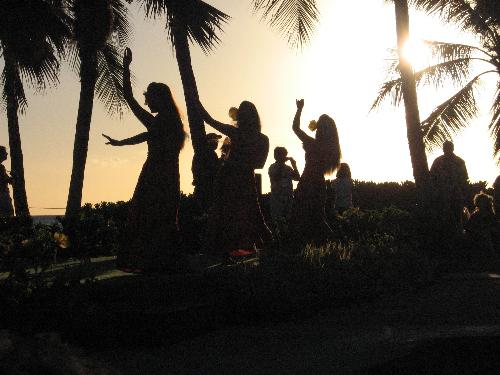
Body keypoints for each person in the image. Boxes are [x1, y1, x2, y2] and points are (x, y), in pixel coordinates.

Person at [102, 48, 186, 273]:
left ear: (159, 98)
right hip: (167, 173)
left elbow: (130, 101)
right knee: (161, 215)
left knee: (149, 214)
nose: (147, 102)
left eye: (150, 97)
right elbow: (146, 135)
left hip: (156, 173)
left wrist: (127, 68)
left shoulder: (163, 122)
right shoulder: (169, 122)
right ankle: (163, 261)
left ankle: (154, 260)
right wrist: (121, 143)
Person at [198, 100, 273, 256]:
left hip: (229, 175)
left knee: (225, 211)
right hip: (244, 177)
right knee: (250, 211)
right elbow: (259, 164)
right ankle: (262, 244)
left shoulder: (235, 132)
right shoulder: (262, 139)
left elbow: (210, 120)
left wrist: (196, 103)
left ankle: (223, 247)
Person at [289, 99, 341, 246]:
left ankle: (331, 245)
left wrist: (299, 109)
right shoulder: (331, 150)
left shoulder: (312, 144)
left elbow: (295, 128)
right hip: (319, 184)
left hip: (307, 183)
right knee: (318, 218)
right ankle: (334, 245)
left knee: (300, 215)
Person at [430, 140, 469, 234]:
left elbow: (464, 179)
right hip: (441, 196)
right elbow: (431, 177)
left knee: (457, 219)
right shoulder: (438, 161)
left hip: (455, 196)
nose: (446, 149)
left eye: (448, 147)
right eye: (445, 147)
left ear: (452, 148)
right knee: (443, 220)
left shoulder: (459, 162)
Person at [268, 147, 300, 238]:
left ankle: (286, 238)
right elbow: (276, 178)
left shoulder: (289, 168)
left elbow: (297, 178)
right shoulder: (272, 167)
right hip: (277, 198)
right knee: (277, 221)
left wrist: (294, 165)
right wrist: (282, 164)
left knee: (287, 219)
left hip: (288, 197)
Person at [464, 192, 499, 262]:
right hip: (477, 236)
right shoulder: (474, 215)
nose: (482, 204)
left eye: (484, 202)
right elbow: (468, 227)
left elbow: (495, 226)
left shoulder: (491, 215)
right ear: (477, 203)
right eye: (481, 202)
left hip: (490, 235)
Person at [191, 133, 222, 213]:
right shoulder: (209, 154)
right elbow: (213, 170)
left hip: (203, 187)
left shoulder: (205, 153)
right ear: (209, 142)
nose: (217, 142)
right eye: (215, 140)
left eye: (217, 140)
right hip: (206, 188)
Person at [0, 146, 14, 217]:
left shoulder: (2, 167)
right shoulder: (1, 168)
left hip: (3, 194)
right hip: (3, 195)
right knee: (8, 214)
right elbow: (5, 180)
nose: (7, 154)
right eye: (5, 152)